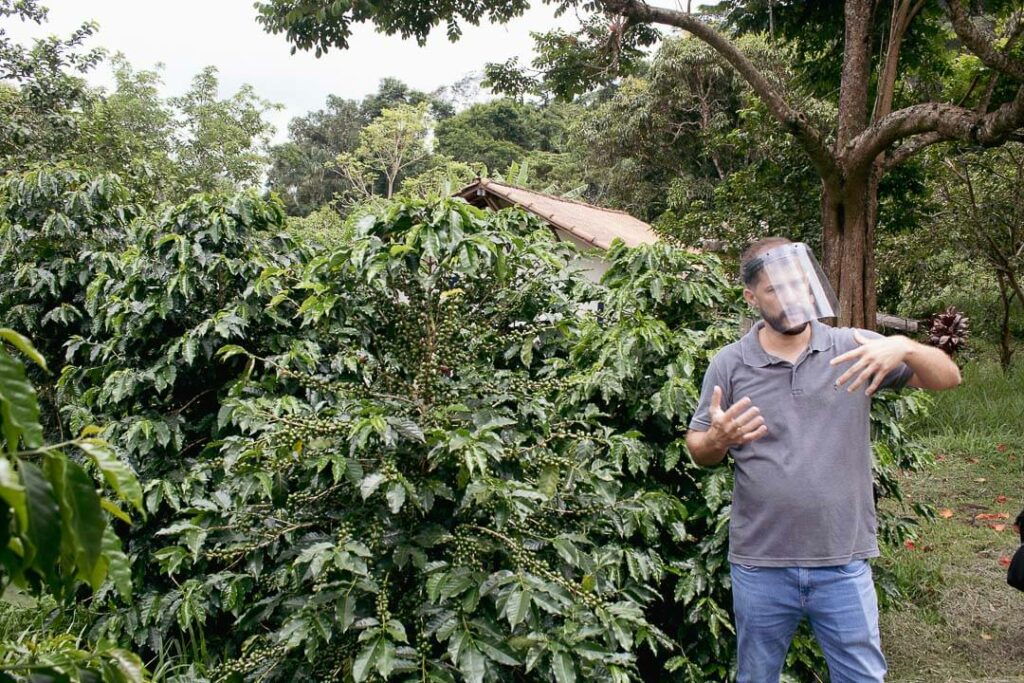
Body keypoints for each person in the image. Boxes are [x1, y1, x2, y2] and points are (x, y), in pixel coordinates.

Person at [686, 237, 961, 683]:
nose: (792, 297)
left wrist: (905, 347)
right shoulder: (730, 364)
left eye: (798, 284)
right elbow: (699, 450)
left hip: (843, 560)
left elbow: (949, 378)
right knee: (756, 676)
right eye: (776, 289)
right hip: (761, 563)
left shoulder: (855, 346)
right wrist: (717, 438)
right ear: (750, 297)